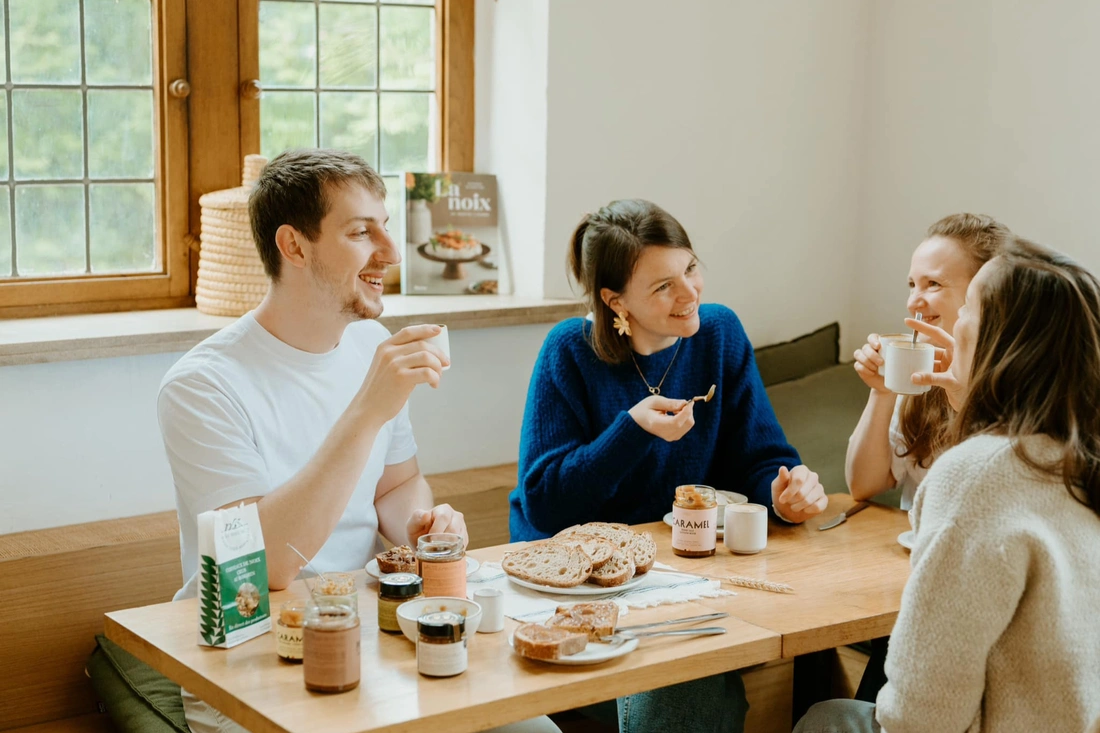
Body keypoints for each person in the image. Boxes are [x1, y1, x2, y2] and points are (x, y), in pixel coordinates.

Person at [158, 149, 558, 733]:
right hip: (255, 660)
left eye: (386, 228)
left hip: (378, 632)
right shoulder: (202, 386)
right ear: (293, 246)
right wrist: (367, 411)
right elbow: (261, 569)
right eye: (359, 232)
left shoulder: (369, 341)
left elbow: (396, 484)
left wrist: (420, 528)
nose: (391, 253)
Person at [508, 198, 828, 733]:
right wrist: (629, 431)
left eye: (691, 268)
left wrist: (783, 494)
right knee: (689, 686)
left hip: (691, 573)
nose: (690, 293)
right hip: (580, 590)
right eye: (663, 286)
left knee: (741, 668)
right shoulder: (569, 350)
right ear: (615, 301)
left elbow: (760, 459)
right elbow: (544, 499)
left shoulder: (719, 334)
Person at [793, 241, 1100, 732]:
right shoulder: (1077, 456)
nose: (947, 323)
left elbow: (921, 715)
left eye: (967, 307)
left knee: (825, 719)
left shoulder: (976, 472)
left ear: (999, 339)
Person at [844, 213, 1014, 702]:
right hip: (914, 586)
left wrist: (969, 400)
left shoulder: (1019, 388)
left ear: (986, 294)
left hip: (971, 600)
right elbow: (863, 485)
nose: (915, 301)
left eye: (934, 285)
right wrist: (882, 392)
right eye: (912, 283)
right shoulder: (918, 371)